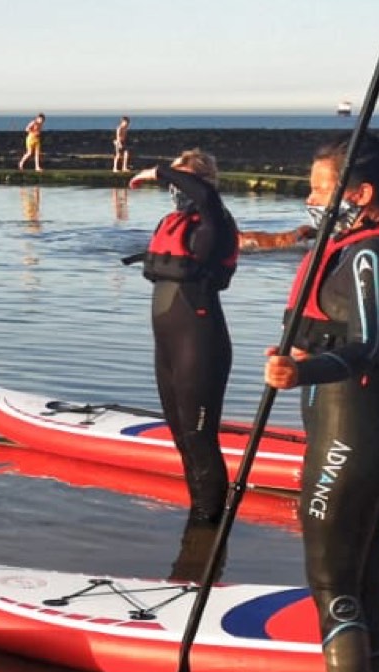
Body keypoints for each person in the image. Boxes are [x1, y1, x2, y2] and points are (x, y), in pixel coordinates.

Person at [264, 130, 379, 672]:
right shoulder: (362, 247)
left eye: (319, 188)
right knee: (367, 580)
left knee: (334, 582)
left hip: (351, 436)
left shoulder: (370, 255)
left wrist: (300, 371)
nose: (310, 197)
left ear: (358, 194)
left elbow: (372, 346)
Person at [129, 149, 240, 525]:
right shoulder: (173, 221)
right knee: (181, 440)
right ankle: (196, 527)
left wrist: (158, 171)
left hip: (201, 343)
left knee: (200, 440)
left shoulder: (216, 223)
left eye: (180, 180)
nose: (173, 188)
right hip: (168, 347)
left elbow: (207, 199)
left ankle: (208, 533)